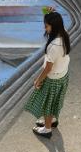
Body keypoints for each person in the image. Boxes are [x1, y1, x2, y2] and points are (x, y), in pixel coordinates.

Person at [25, 11, 71, 139]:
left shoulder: (54, 46)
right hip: (63, 75)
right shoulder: (64, 34)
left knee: (47, 104)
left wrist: (38, 80)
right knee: (55, 101)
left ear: (54, 26)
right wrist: (51, 14)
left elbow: (48, 68)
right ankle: (51, 121)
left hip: (53, 78)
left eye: (46, 26)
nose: (45, 28)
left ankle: (47, 129)